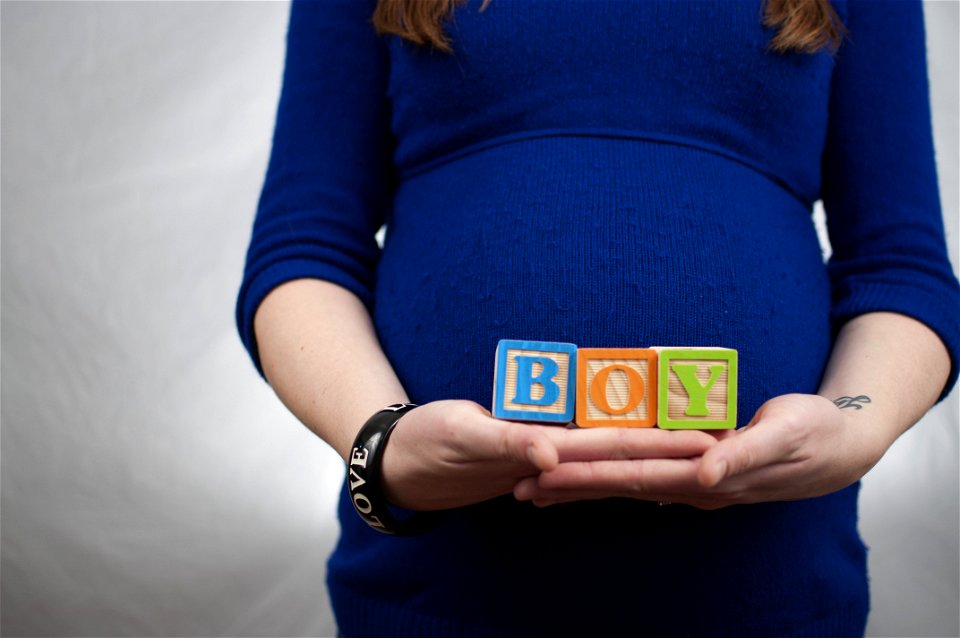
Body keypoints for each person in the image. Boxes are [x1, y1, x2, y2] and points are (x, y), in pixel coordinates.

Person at [236, 0, 959, 635]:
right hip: (437, 593)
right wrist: (381, 448)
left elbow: (902, 267)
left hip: (767, 592)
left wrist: (853, 424)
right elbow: (305, 248)